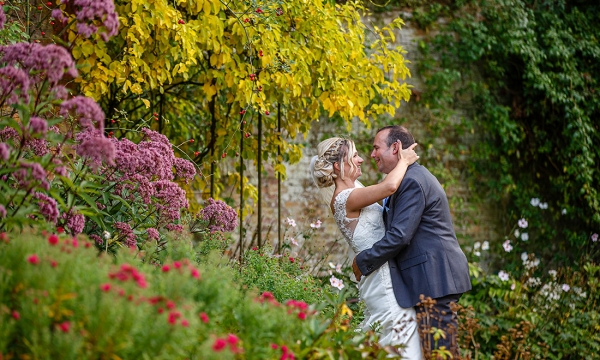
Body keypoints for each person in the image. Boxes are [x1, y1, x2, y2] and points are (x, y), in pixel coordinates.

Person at [352, 125, 472, 356]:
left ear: (395, 147)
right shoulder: (405, 179)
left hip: (436, 278)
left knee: (440, 352)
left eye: (376, 148)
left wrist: (363, 261)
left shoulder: (412, 181)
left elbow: (399, 235)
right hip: (428, 279)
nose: (372, 154)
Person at [309, 137, 422, 357]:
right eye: (354, 156)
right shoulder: (345, 198)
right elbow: (389, 186)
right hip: (383, 279)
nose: (361, 159)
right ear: (337, 166)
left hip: (381, 272)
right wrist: (404, 161)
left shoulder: (354, 191)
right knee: (399, 340)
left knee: (392, 340)